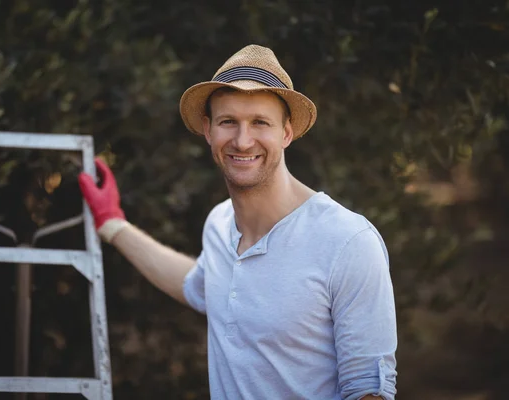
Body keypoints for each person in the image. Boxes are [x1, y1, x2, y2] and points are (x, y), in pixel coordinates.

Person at [78, 45, 397, 400]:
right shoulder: (218, 224)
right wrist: (112, 224)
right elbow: (196, 284)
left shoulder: (348, 241)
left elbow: (369, 391)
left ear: (286, 133)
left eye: (260, 122)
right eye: (228, 122)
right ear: (208, 130)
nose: (243, 141)